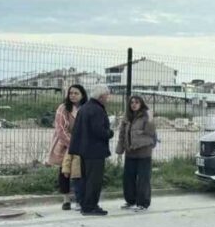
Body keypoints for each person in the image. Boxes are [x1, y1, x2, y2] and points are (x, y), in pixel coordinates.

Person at [68, 84, 113, 216]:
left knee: (85, 179)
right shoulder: (97, 110)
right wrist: (110, 132)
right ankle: (90, 206)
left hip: (82, 150)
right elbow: (99, 131)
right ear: (101, 96)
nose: (107, 98)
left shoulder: (84, 108)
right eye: (106, 96)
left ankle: (84, 204)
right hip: (95, 151)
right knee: (94, 180)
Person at [47, 84, 87, 210]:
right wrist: (73, 143)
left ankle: (79, 198)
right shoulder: (63, 108)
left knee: (80, 171)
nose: (73, 96)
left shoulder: (86, 108)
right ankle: (66, 199)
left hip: (82, 144)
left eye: (76, 93)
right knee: (64, 171)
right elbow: (60, 129)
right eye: (71, 93)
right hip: (65, 143)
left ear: (82, 95)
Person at [116, 95, 157, 212]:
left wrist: (150, 118)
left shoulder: (146, 116)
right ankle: (131, 201)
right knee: (128, 178)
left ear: (141, 104)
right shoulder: (127, 117)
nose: (134, 104)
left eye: (137, 102)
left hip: (144, 152)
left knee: (143, 179)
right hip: (130, 152)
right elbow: (122, 134)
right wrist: (120, 149)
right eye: (132, 102)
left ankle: (143, 203)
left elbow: (150, 132)